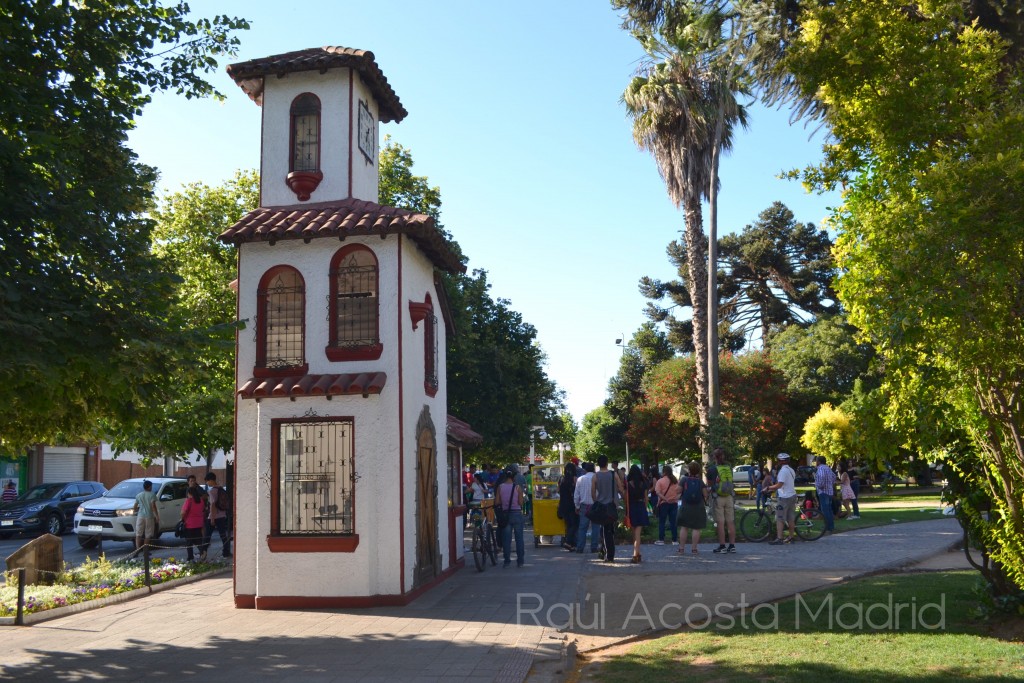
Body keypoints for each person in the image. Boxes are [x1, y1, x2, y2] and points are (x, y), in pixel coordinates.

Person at [591, 455, 625, 562]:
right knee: (609, 530)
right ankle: (608, 554)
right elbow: (621, 488)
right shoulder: (613, 474)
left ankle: (605, 552)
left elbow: (592, 493)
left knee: (604, 529)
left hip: (601, 506)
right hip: (612, 505)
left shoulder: (595, 476)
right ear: (607, 463)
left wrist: (596, 501)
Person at [706, 447, 737, 554]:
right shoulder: (729, 468)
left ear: (714, 457)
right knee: (730, 522)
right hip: (729, 497)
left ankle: (722, 546)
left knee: (720, 523)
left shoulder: (711, 469)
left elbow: (709, 485)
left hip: (718, 497)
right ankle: (732, 546)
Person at [495, 469, 525, 568]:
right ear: (513, 477)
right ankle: (520, 561)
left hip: (505, 515)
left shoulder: (500, 487)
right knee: (519, 539)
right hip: (517, 514)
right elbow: (520, 503)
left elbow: (497, 502)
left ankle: (507, 561)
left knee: (506, 540)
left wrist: (504, 502)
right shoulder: (517, 487)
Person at [677, 461, 707, 554]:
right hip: (698, 506)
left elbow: (678, 491)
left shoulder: (684, 480)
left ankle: (681, 548)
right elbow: (705, 494)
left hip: (686, 506)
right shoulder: (700, 481)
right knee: (696, 528)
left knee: (684, 527)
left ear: (689, 470)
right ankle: (694, 549)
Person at [768, 453, 798, 544]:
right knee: (790, 518)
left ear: (780, 461)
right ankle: (791, 537)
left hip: (784, 497)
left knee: (780, 518)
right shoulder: (791, 470)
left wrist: (768, 488)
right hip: (792, 495)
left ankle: (779, 538)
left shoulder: (783, 471)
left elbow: (779, 485)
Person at [625, 465, 650, 563]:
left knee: (634, 533)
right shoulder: (643, 484)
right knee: (638, 533)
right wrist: (645, 508)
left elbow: (626, 498)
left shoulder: (628, 484)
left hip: (632, 508)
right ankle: (636, 554)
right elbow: (646, 499)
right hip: (641, 507)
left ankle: (636, 554)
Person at [203, 472, 231, 558]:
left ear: (211, 480)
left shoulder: (211, 491)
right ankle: (226, 553)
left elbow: (212, 505)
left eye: (207, 481)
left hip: (213, 516)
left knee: (207, 535)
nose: (207, 483)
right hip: (222, 515)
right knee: (223, 535)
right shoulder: (221, 489)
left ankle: (203, 553)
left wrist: (212, 518)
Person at [573, 462, 599, 553]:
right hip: (595, 506)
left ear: (585, 470)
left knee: (582, 528)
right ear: (594, 469)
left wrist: (577, 506)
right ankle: (594, 547)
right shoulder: (597, 478)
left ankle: (580, 547)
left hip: (584, 506)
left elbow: (576, 495)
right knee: (596, 527)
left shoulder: (580, 479)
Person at [180, 484, 208, 562]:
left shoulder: (189, 501)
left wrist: (182, 518)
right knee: (198, 540)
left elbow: (183, 512)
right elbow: (203, 510)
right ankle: (202, 551)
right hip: (199, 523)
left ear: (189, 493)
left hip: (189, 524)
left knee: (189, 542)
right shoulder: (201, 501)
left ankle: (190, 557)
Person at [653, 465, 680, 545]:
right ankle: (674, 540)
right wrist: (675, 498)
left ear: (664, 472)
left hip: (663, 504)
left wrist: (665, 499)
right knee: (673, 522)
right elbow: (680, 492)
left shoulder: (660, 481)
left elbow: (658, 492)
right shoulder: (676, 481)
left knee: (662, 522)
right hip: (674, 503)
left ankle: (661, 539)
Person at [132, 479, 159, 551]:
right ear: (149, 487)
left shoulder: (139, 495)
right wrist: (157, 516)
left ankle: (137, 549)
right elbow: (153, 506)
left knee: (138, 533)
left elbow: (135, 507)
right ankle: (145, 550)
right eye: (151, 486)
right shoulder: (152, 495)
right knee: (148, 534)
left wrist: (136, 511)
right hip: (149, 516)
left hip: (140, 516)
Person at [557, 463, 578, 551]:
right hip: (572, 504)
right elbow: (576, 492)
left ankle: (571, 545)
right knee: (575, 524)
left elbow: (558, 490)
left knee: (568, 524)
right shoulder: (574, 479)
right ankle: (568, 542)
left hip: (563, 504)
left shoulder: (561, 479)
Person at [814, 456, 836, 534]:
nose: (815, 462)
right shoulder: (828, 468)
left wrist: (819, 485)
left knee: (825, 510)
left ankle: (827, 527)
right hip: (829, 491)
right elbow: (834, 477)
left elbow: (822, 477)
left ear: (819, 462)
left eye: (816, 461)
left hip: (823, 492)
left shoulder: (821, 468)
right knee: (829, 510)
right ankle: (831, 526)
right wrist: (830, 484)